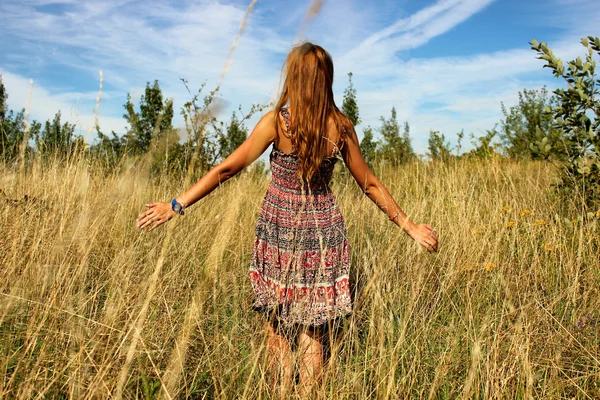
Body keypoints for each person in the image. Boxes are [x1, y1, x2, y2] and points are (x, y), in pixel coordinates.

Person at [136, 42, 438, 397]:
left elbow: (228, 168)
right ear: (326, 80)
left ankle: (280, 391)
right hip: (324, 233)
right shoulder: (341, 127)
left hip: (279, 230)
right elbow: (369, 183)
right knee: (315, 332)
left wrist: (176, 204)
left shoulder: (278, 122)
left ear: (295, 77)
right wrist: (411, 227)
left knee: (278, 325)